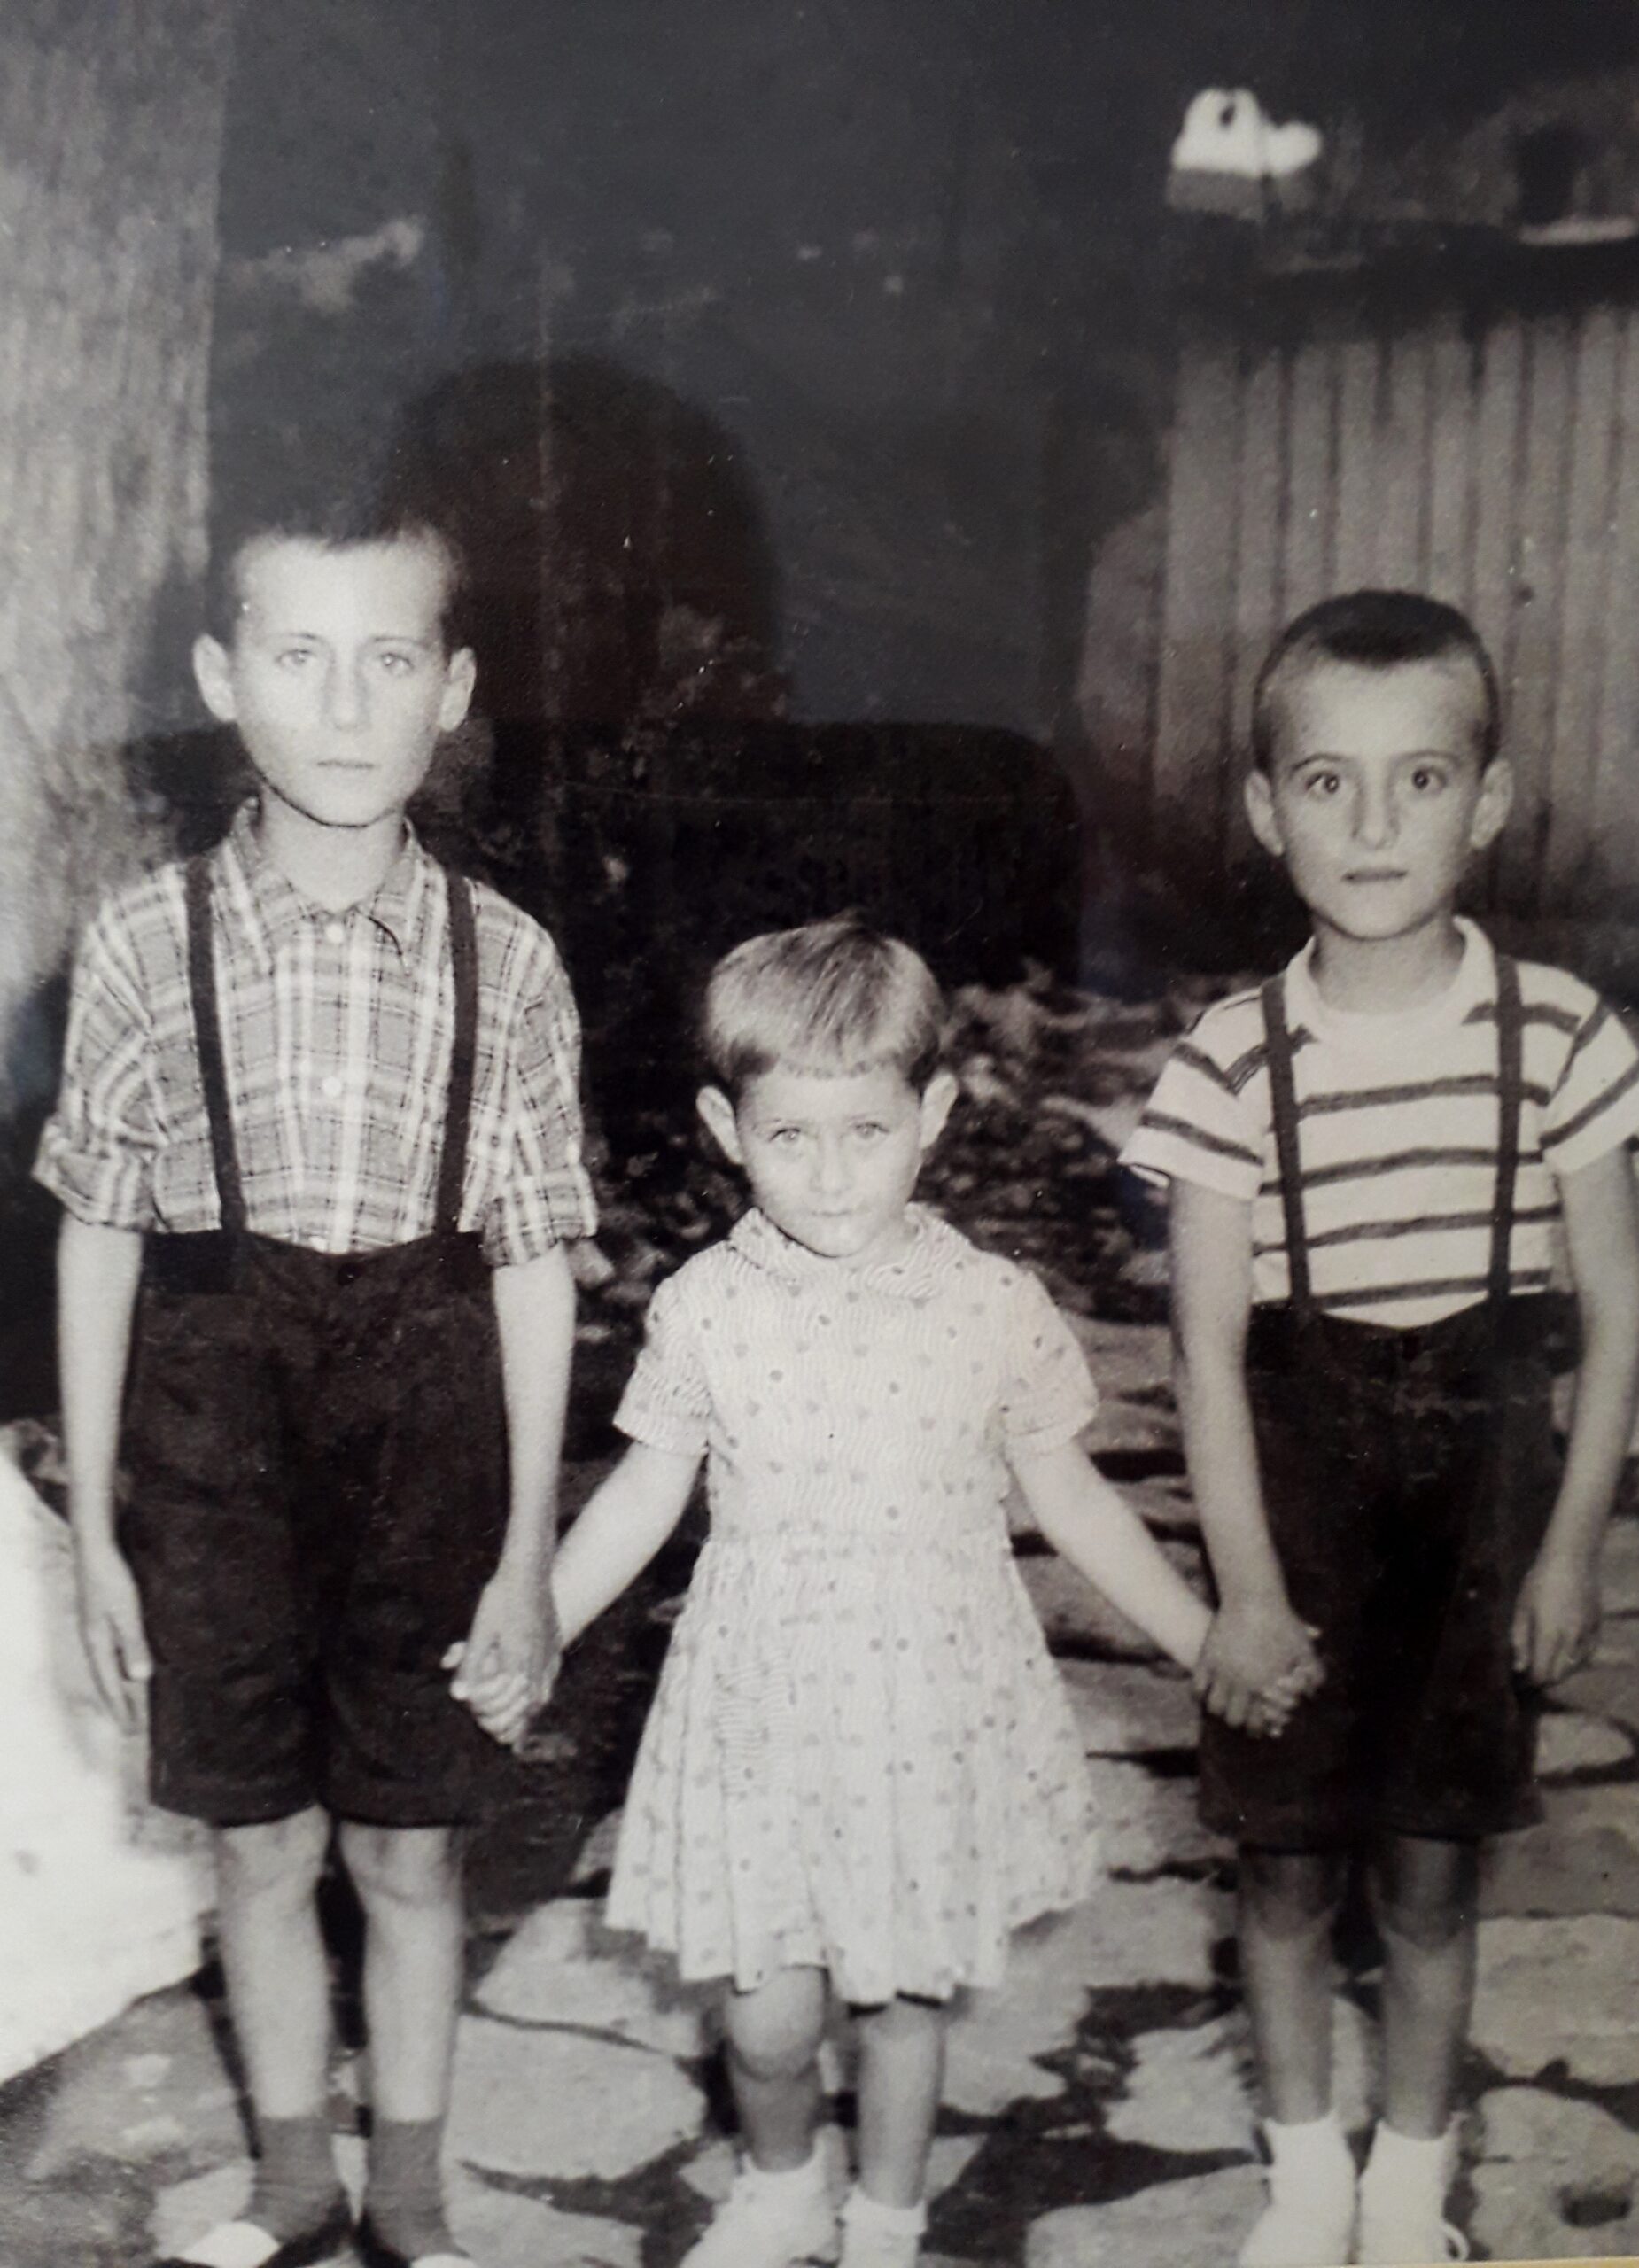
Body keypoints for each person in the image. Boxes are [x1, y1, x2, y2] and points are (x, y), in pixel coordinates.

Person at [457, 913, 1299, 2268]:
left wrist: (1203, 1638)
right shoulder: (705, 1308)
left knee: (905, 1997)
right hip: (759, 1710)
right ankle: (781, 2180)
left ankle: (888, 2218)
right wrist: (541, 1617)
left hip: (926, 1706)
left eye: (866, 1131)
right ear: (728, 1132)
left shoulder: (992, 1304)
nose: (833, 1172)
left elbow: (1077, 1499)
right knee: (766, 2015)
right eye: (790, 1136)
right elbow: (643, 1492)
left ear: (934, 1115)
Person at [35, 489, 595, 2268]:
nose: (345, 707)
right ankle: (293, 2180)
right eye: (298, 657)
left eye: (389, 660)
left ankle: (410, 2199)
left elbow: (535, 1266)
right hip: (215, 1455)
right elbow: (99, 1240)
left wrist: (528, 1552)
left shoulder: (509, 960)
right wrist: (101, 1533)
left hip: (431, 1449)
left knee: (410, 1850)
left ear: (454, 689)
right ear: (222, 678)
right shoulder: (144, 940)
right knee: (259, 1847)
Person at [1123, 591, 1639, 2267]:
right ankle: (1305, 2186)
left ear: (1486, 803)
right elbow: (1207, 1355)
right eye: (1328, 783)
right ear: (1266, 810)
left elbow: (1621, 1315)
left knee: (1432, 1877)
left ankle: (1411, 2188)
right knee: (1285, 1875)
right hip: (1300, 1529)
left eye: (1419, 781)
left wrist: (1568, 1554)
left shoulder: (1559, 1036)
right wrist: (1245, 1593)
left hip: (1477, 1539)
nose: (1373, 826)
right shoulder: (1229, 1064)